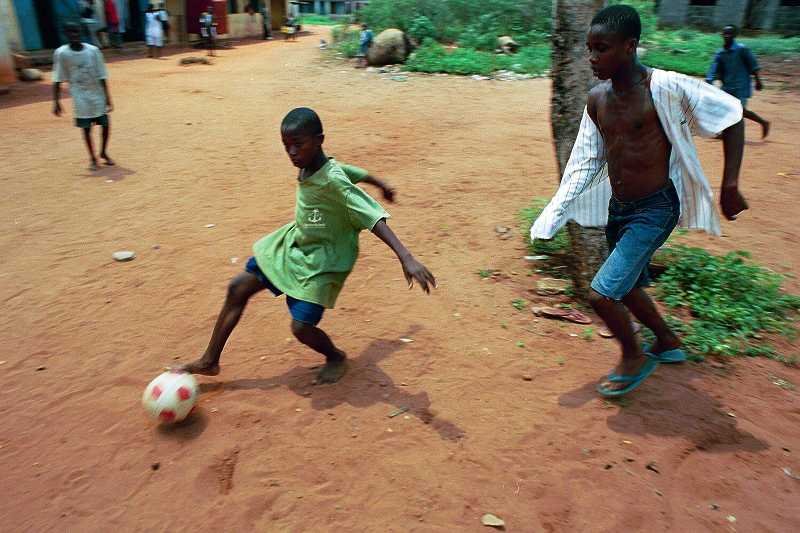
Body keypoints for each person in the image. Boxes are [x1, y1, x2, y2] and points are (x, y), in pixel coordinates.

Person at [530, 5, 746, 397]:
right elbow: (585, 159)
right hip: (620, 208)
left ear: (629, 47)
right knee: (626, 285)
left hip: (656, 208)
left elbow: (731, 117)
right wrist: (557, 208)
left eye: (602, 49)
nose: (592, 58)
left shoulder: (664, 88)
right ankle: (666, 341)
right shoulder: (597, 99)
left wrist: (730, 185)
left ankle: (633, 355)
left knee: (601, 293)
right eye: (589, 49)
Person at [178, 108, 435, 383]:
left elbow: (372, 217)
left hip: (322, 263)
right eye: (286, 146)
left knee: (301, 327)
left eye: (298, 144)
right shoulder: (313, 165)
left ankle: (335, 356)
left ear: (319, 140)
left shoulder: (332, 180)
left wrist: (406, 257)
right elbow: (351, 170)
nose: (291, 152)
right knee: (237, 288)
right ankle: (210, 360)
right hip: (293, 245)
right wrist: (380, 182)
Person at [52, 22, 114, 171]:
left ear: (81, 33)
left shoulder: (93, 51)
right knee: (86, 129)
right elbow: (57, 78)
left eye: (76, 32)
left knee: (105, 124)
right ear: (66, 34)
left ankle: (103, 152)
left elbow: (102, 74)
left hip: (97, 94)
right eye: (70, 32)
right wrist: (56, 102)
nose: (74, 35)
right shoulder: (62, 53)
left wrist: (107, 96)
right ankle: (93, 158)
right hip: (80, 96)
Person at [706, 25, 770, 139]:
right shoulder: (720, 53)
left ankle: (763, 123)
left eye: (729, 34)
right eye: (725, 34)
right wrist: (709, 81)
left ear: (734, 35)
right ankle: (723, 132)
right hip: (727, 86)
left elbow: (753, 65)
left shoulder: (742, 49)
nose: (726, 36)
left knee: (740, 112)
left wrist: (758, 80)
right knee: (724, 108)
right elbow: (714, 69)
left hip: (741, 86)